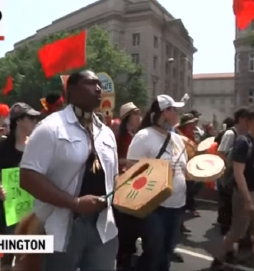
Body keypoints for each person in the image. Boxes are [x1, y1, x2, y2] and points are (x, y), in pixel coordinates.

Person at [19, 70, 119, 271]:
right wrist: (74, 203)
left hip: (103, 227)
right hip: (60, 227)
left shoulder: (106, 133)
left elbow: (113, 176)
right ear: (71, 89)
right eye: (91, 83)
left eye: (99, 84)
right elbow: (27, 177)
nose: (98, 88)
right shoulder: (50, 128)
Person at [127, 94, 187, 271]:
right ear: (163, 112)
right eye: (174, 110)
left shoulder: (177, 139)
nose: (178, 113)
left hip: (177, 206)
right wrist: (159, 173)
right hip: (154, 207)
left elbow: (184, 168)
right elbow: (132, 171)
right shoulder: (143, 137)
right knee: (154, 253)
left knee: (167, 252)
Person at [210, 109, 254, 271]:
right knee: (237, 233)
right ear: (250, 122)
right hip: (244, 195)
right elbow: (238, 173)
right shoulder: (243, 142)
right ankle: (218, 257)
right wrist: (247, 199)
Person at [0, 103, 40, 270]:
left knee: (26, 257)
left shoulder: (36, 147)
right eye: (30, 118)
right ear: (18, 121)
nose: (35, 121)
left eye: (35, 118)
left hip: (32, 210)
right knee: (6, 256)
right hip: (9, 210)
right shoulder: (1, 148)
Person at [114, 102, 142, 270]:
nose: (139, 118)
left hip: (136, 184)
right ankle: (122, 255)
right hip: (121, 183)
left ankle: (128, 250)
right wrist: (128, 162)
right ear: (128, 118)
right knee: (123, 222)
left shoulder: (138, 135)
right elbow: (112, 160)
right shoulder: (118, 137)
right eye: (136, 115)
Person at [216, 108, 250, 234]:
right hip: (228, 175)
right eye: (247, 118)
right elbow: (220, 153)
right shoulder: (231, 134)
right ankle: (225, 232)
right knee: (226, 203)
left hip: (239, 175)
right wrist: (232, 164)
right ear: (240, 118)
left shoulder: (247, 134)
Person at [176, 113, 199, 217]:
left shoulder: (191, 136)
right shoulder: (178, 138)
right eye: (190, 126)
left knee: (188, 194)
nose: (193, 128)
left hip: (190, 172)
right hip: (182, 173)